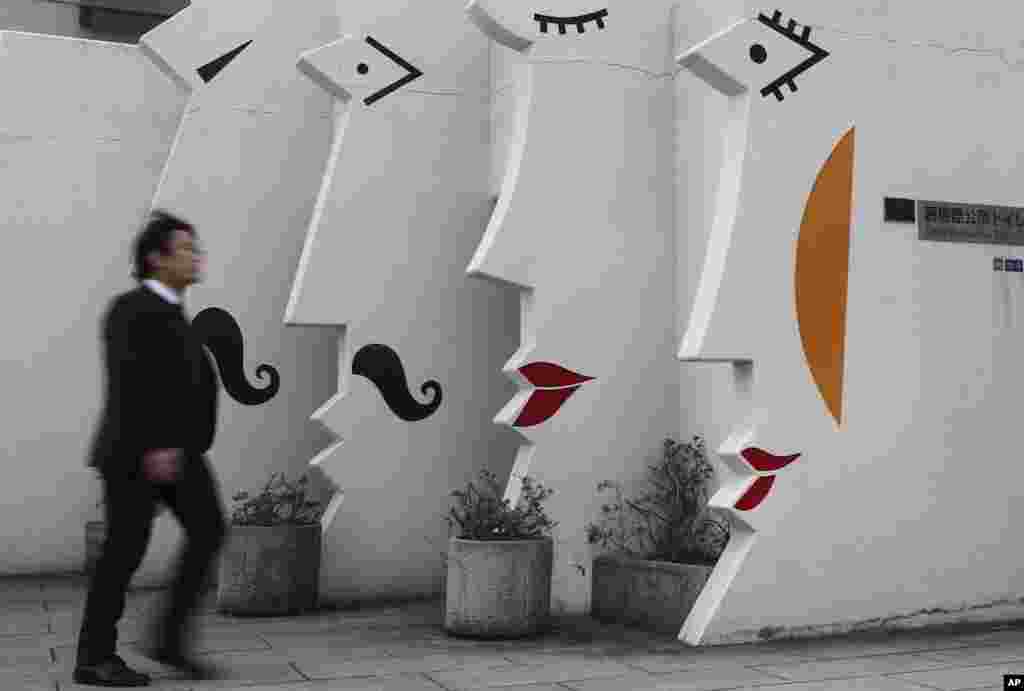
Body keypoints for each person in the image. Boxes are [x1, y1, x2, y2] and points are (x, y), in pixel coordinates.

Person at [74, 210, 226, 686]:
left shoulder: (174, 313)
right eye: (186, 249)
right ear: (157, 258)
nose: (196, 256)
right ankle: (94, 658)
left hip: (181, 455)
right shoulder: (130, 309)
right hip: (137, 454)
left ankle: (168, 639)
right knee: (122, 552)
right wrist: (157, 445)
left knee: (208, 530)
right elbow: (131, 382)